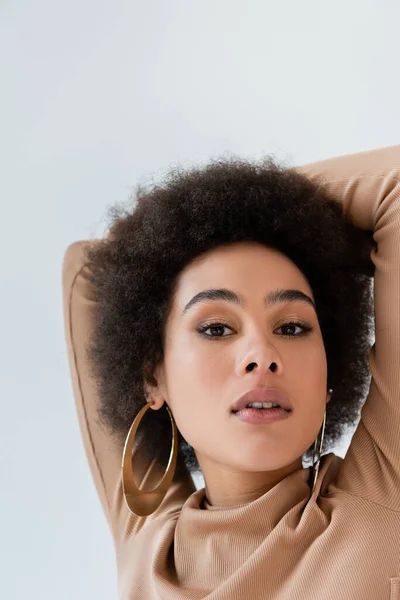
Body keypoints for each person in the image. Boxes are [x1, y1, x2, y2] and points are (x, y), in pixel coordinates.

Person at [62, 145, 400, 600]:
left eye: (293, 327)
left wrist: (257, 202)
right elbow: (87, 271)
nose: (262, 354)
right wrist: (209, 208)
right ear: (152, 379)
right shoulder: (149, 547)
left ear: (329, 376)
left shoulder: (382, 496)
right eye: (217, 327)